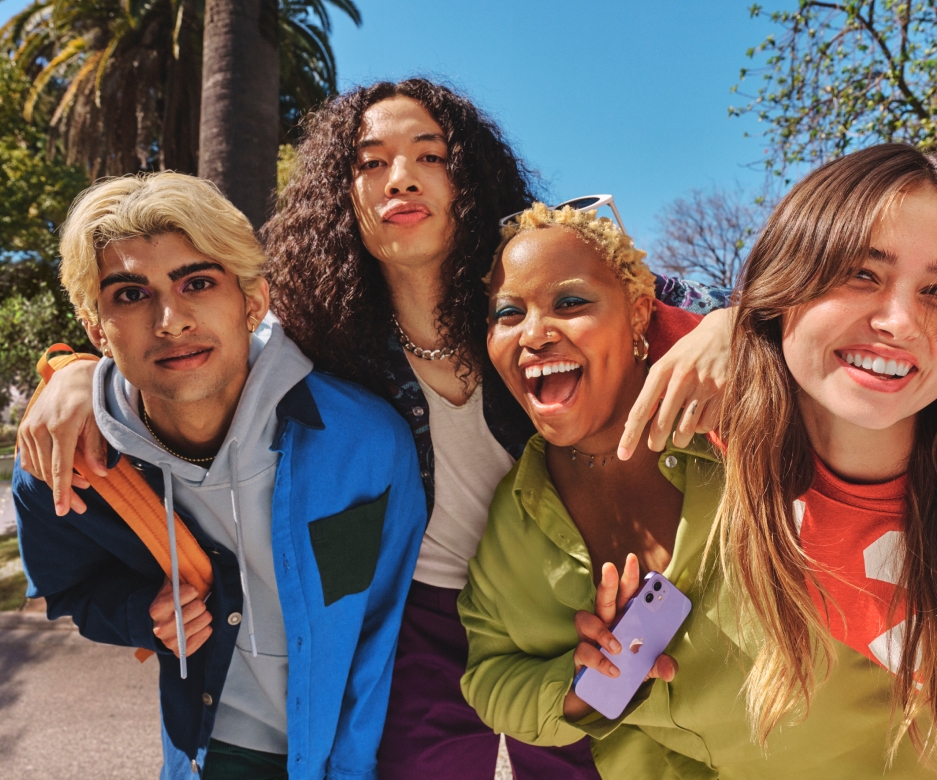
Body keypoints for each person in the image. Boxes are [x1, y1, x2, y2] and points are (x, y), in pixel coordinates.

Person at [16, 78, 735, 780]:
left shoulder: (530, 285)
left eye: (431, 155)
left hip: (564, 596)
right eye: (371, 162)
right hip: (416, 612)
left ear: (469, 178)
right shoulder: (317, 326)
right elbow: (186, 340)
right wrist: (73, 372)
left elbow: (669, 304)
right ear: (342, 192)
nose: (402, 178)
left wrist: (730, 323)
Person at [458, 202, 937, 778]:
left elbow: (923, 379)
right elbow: (488, 677)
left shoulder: (761, 418)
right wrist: (582, 686)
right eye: (507, 314)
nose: (534, 334)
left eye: (570, 303)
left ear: (639, 313)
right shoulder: (515, 515)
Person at [13, 173, 427, 780]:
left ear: (252, 300)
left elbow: (390, 621)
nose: (170, 320)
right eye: (130, 294)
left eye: (198, 283)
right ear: (96, 328)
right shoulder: (68, 466)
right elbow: (71, 591)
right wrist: (139, 613)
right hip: (210, 756)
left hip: (357, 753)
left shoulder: (368, 440)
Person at [710, 143, 937, 778]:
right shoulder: (738, 432)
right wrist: (718, 326)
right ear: (784, 281)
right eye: (861, 273)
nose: (901, 321)